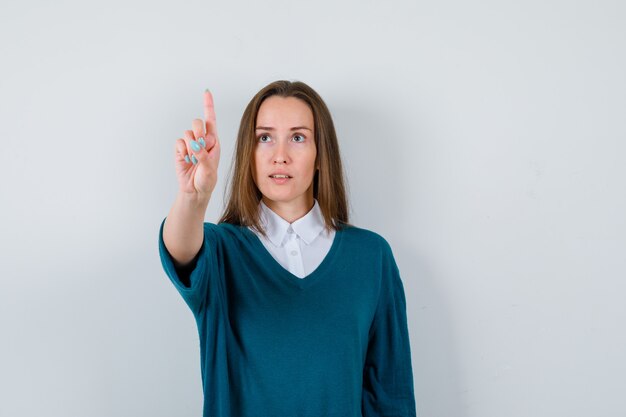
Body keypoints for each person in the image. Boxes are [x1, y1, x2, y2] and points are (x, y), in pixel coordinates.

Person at [158, 80, 417, 417]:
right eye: (264, 138)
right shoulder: (221, 251)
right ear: (248, 156)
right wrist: (193, 198)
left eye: (298, 137)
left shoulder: (370, 257)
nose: (280, 156)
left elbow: (390, 396)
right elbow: (181, 250)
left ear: (321, 155)